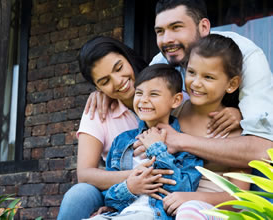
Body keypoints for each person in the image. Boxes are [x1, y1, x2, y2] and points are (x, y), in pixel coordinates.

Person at [57, 36, 175, 220]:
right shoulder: (97, 111)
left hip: (168, 190)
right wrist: (133, 179)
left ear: (127, 57)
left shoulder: (165, 88)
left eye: (119, 68)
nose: (118, 81)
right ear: (97, 87)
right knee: (78, 195)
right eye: (105, 82)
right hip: (121, 191)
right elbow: (85, 173)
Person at [149, 0, 273, 169]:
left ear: (204, 27)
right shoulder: (162, 61)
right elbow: (142, 101)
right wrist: (107, 94)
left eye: (176, 27)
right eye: (160, 31)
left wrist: (181, 140)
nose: (167, 39)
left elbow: (264, 151)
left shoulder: (247, 56)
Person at [86, 64, 203, 220]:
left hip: (155, 215)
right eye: (139, 93)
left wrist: (157, 149)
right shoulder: (122, 142)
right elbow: (110, 198)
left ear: (176, 100)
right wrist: (130, 188)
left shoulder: (187, 146)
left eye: (153, 94)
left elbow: (183, 190)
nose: (143, 100)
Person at [162, 34, 250, 219]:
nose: (196, 83)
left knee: (189, 212)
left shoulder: (234, 129)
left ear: (232, 84)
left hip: (211, 210)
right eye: (191, 72)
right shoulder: (173, 110)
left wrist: (191, 198)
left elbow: (239, 198)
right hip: (164, 204)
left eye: (208, 77)